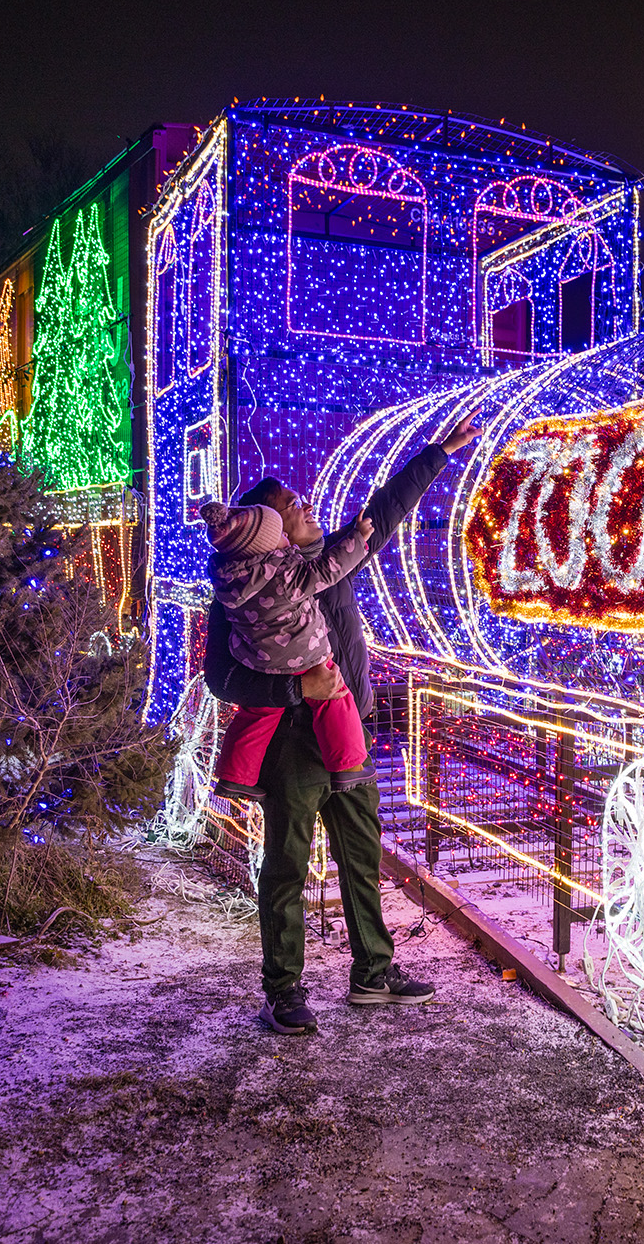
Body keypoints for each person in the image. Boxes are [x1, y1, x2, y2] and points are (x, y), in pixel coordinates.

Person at [205, 413, 480, 1033]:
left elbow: (384, 512)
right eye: (290, 505)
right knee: (287, 866)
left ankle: (373, 972)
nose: (305, 506)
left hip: (346, 734)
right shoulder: (239, 593)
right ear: (267, 528)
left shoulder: (329, 560)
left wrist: (437, 453)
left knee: (362, 854)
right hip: (291, 742)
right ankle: (284, 990)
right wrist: (293, 685)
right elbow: (220, 677)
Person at [198, 500, 372, 798]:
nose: (286, 539)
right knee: (334, 696)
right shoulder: (284, 576)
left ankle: (234, 776)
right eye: (279, 536)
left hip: (258, 660)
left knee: (258, 713)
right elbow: (327, 570)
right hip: (302, 653)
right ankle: (348, 765)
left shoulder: (228, 581)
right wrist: (357, 539)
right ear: (263, 547)